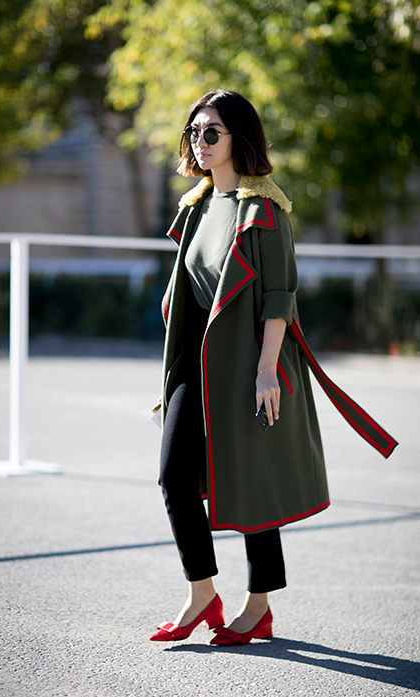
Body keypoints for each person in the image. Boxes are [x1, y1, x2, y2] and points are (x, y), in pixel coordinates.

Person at [150, 90, 397, 646]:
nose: (200, 142)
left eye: (212, 132)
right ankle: (201, 592)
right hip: (196, 362)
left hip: (250, 360)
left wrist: (267, 371)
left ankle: (257, 605)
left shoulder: (265, 209)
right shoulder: (196, 205)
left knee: (252, 482)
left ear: (239, 137)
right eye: (194, 132)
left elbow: (279, 298)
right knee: (173, 476)